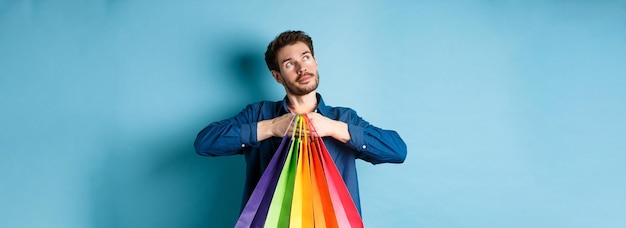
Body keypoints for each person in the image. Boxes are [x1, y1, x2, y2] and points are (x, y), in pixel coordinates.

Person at [194, 30, 407, 214]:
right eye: (289, 64)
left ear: (315, 62)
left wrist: (334, 128)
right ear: (278, 76)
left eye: (305, 57)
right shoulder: (259, 114)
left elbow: (397, 150)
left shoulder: (344, 118)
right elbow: (204, 143)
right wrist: (270, 127)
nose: (301, 68)